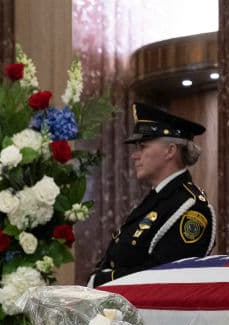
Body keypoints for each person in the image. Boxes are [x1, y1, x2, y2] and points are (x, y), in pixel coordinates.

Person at [88, 102, 215, 287]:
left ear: (170, 151)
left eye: (142, 147)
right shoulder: (157, 200)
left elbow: (165, 276)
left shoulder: (191, 208)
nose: (135, 155)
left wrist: (100, 280)